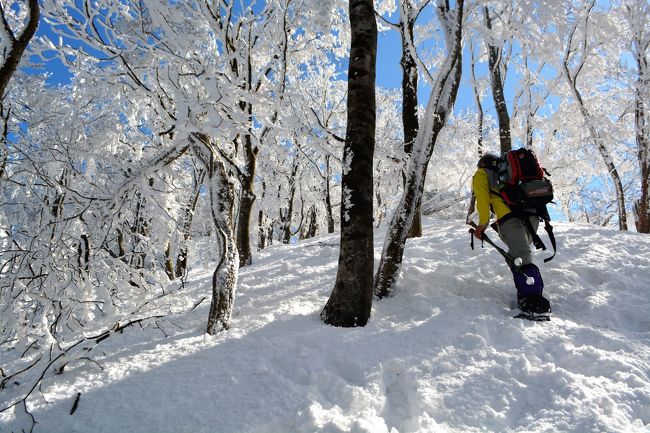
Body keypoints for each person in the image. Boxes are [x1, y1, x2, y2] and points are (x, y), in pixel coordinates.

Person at [471, 152, 550, 315]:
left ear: (482, 165)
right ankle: (525, 294)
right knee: (517, 254)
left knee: (521, 255)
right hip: (532, 215)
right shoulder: (514, 174)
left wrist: (482, 224)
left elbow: (483, 200)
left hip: (509, 218)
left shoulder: (481, 174)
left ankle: (534, 302)